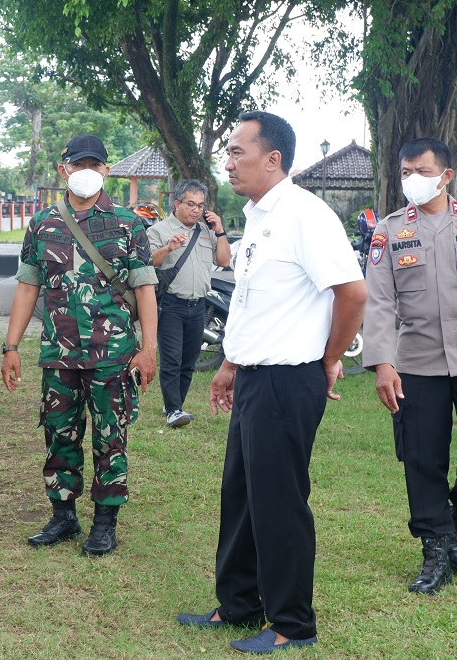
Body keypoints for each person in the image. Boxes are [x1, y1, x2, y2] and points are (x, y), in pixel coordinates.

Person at [176, 111, 366, 655]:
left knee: (279, 502)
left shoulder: (305, 214)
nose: (229, 162)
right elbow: (250, 299)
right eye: (229, 152)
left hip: (288, 380)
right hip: (255, 377)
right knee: (240, 494)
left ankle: (292, 624)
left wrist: (330, 358)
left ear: (273, 158)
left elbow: (352, 293)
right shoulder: (258, 216)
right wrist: (231, 363)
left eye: (238, 151)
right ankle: (239, 602)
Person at [363, 138, 457, 595]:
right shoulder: (389, 231)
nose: (412, 179)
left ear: (446, 176)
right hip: (417, 361)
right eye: (406, 172)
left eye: (422, 171)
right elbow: (379, 300)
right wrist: (382, 362)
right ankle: (435, 550)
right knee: (422, 457)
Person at [1, 134, 158, 557]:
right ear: (63, 169)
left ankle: (105, 524)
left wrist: (148, 349)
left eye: (94, 164)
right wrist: (11, 347)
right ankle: (63, 516)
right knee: (59, 436)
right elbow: (27, 286)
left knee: (111, 438)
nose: (86, 171)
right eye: (78, 164)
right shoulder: (42, 224)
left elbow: (145, 289)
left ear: (106, 170)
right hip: (59, 354)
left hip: (113, 355)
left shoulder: (127, 224)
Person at [146, 179, 230, 427]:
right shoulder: (159, 231)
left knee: (189, 359)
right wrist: (168, 248)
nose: (196, 210)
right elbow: (147, 262)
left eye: (200, 205)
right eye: (190, 204)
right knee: (171, 358)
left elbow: (224, 261)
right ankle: (174, 410)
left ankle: (174, 404)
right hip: (170, 304)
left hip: (199, 305)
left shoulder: (205, 231)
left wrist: (220, 231)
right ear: (177, 203)